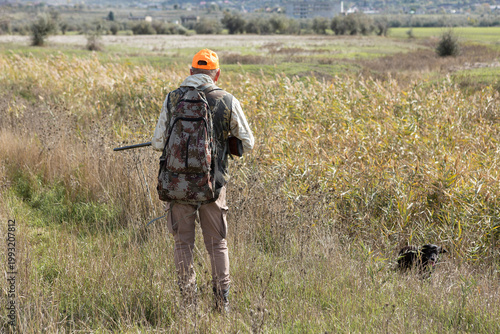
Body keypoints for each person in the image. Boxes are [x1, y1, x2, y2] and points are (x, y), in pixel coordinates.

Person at [152, 49, 254, 312]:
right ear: (216, 74)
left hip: (177, 186)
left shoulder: (173, 98)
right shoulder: (226, 99)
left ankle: (188, 304)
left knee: (182, 243)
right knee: (217, 244)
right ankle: (222, 304)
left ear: (190, 72)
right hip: (213, 185)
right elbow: (248, 143)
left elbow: (157, 144)